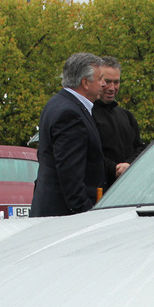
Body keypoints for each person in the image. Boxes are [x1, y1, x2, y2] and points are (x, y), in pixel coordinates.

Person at [30, 52, 106, 217]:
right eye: (100, 78)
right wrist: (87, 214)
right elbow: (70, 175)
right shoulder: (70, 114)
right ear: (85, 82)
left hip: (52, 211)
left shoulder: (56, 104)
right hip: (64, 218)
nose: (104, 84)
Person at [92, 56, 146, 187]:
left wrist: (129, 165)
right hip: (99, 189)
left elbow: (140, 147)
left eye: (116, 82)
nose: (112, 88)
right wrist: (114, 169)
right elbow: (91, 153)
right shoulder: (88, 114)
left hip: (127, 188)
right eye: (107, 82)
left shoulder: (127, 116)